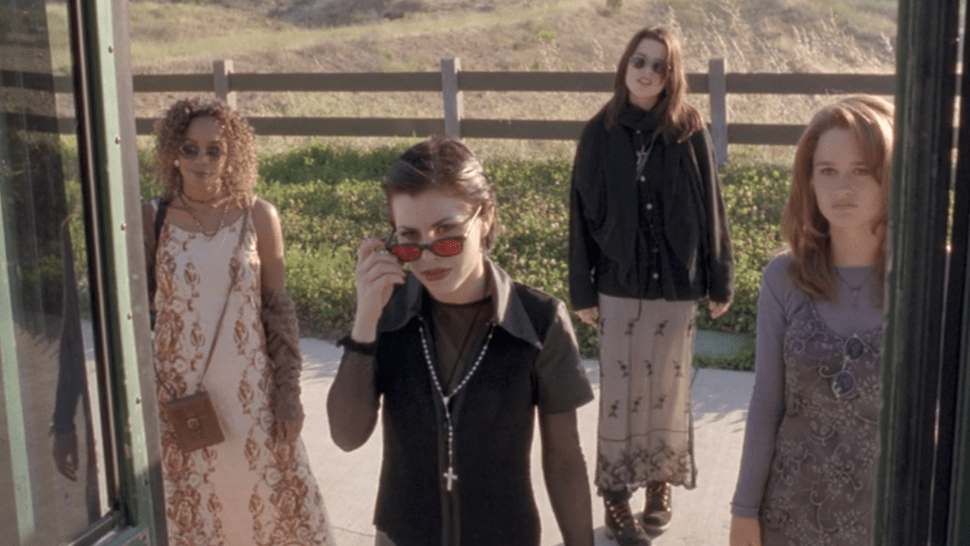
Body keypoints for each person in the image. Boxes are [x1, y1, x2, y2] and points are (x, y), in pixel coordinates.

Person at [327, 135, 595, 546]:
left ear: (484, 218)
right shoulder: (388, 313)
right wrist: (365, 321)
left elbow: (563, 461)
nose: (429, 254)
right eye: (409, 238)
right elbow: (347, 436)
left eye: (447, 232)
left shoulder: (539, 320)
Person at [568, 26, 734, 545]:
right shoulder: (600, 131)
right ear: (625, 64)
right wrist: (583, 291)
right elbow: (579, 215)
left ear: (671, 76)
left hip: (676, 287)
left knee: (667, 390)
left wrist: (718, 276)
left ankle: (659, 484)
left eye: (658, 65)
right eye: (638, 60)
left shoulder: (688, 129)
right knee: (620, 394)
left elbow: (712, 204)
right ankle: (616, 498)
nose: (645, 71)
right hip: (618, 285)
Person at [143, 97, 334, 545]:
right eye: (190, 149)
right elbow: (137, 317)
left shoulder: (259, 216)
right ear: (173, 152)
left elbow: (278, 312)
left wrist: (288, 397)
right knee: (197, 519)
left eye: (215, 149)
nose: (202, 160)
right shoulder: (152, 219)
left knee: (267, 514)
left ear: (233, 155)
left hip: (252, 400)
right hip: (181, 402)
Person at [728, 95, 894, 546]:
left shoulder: (926, 281)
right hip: (790, 513)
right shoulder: (783, 277)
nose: (842, 187)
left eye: (862, 170)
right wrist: (744, 511)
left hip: (892, 518)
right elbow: (766, 405)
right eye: (827, 170)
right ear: (809, 180)